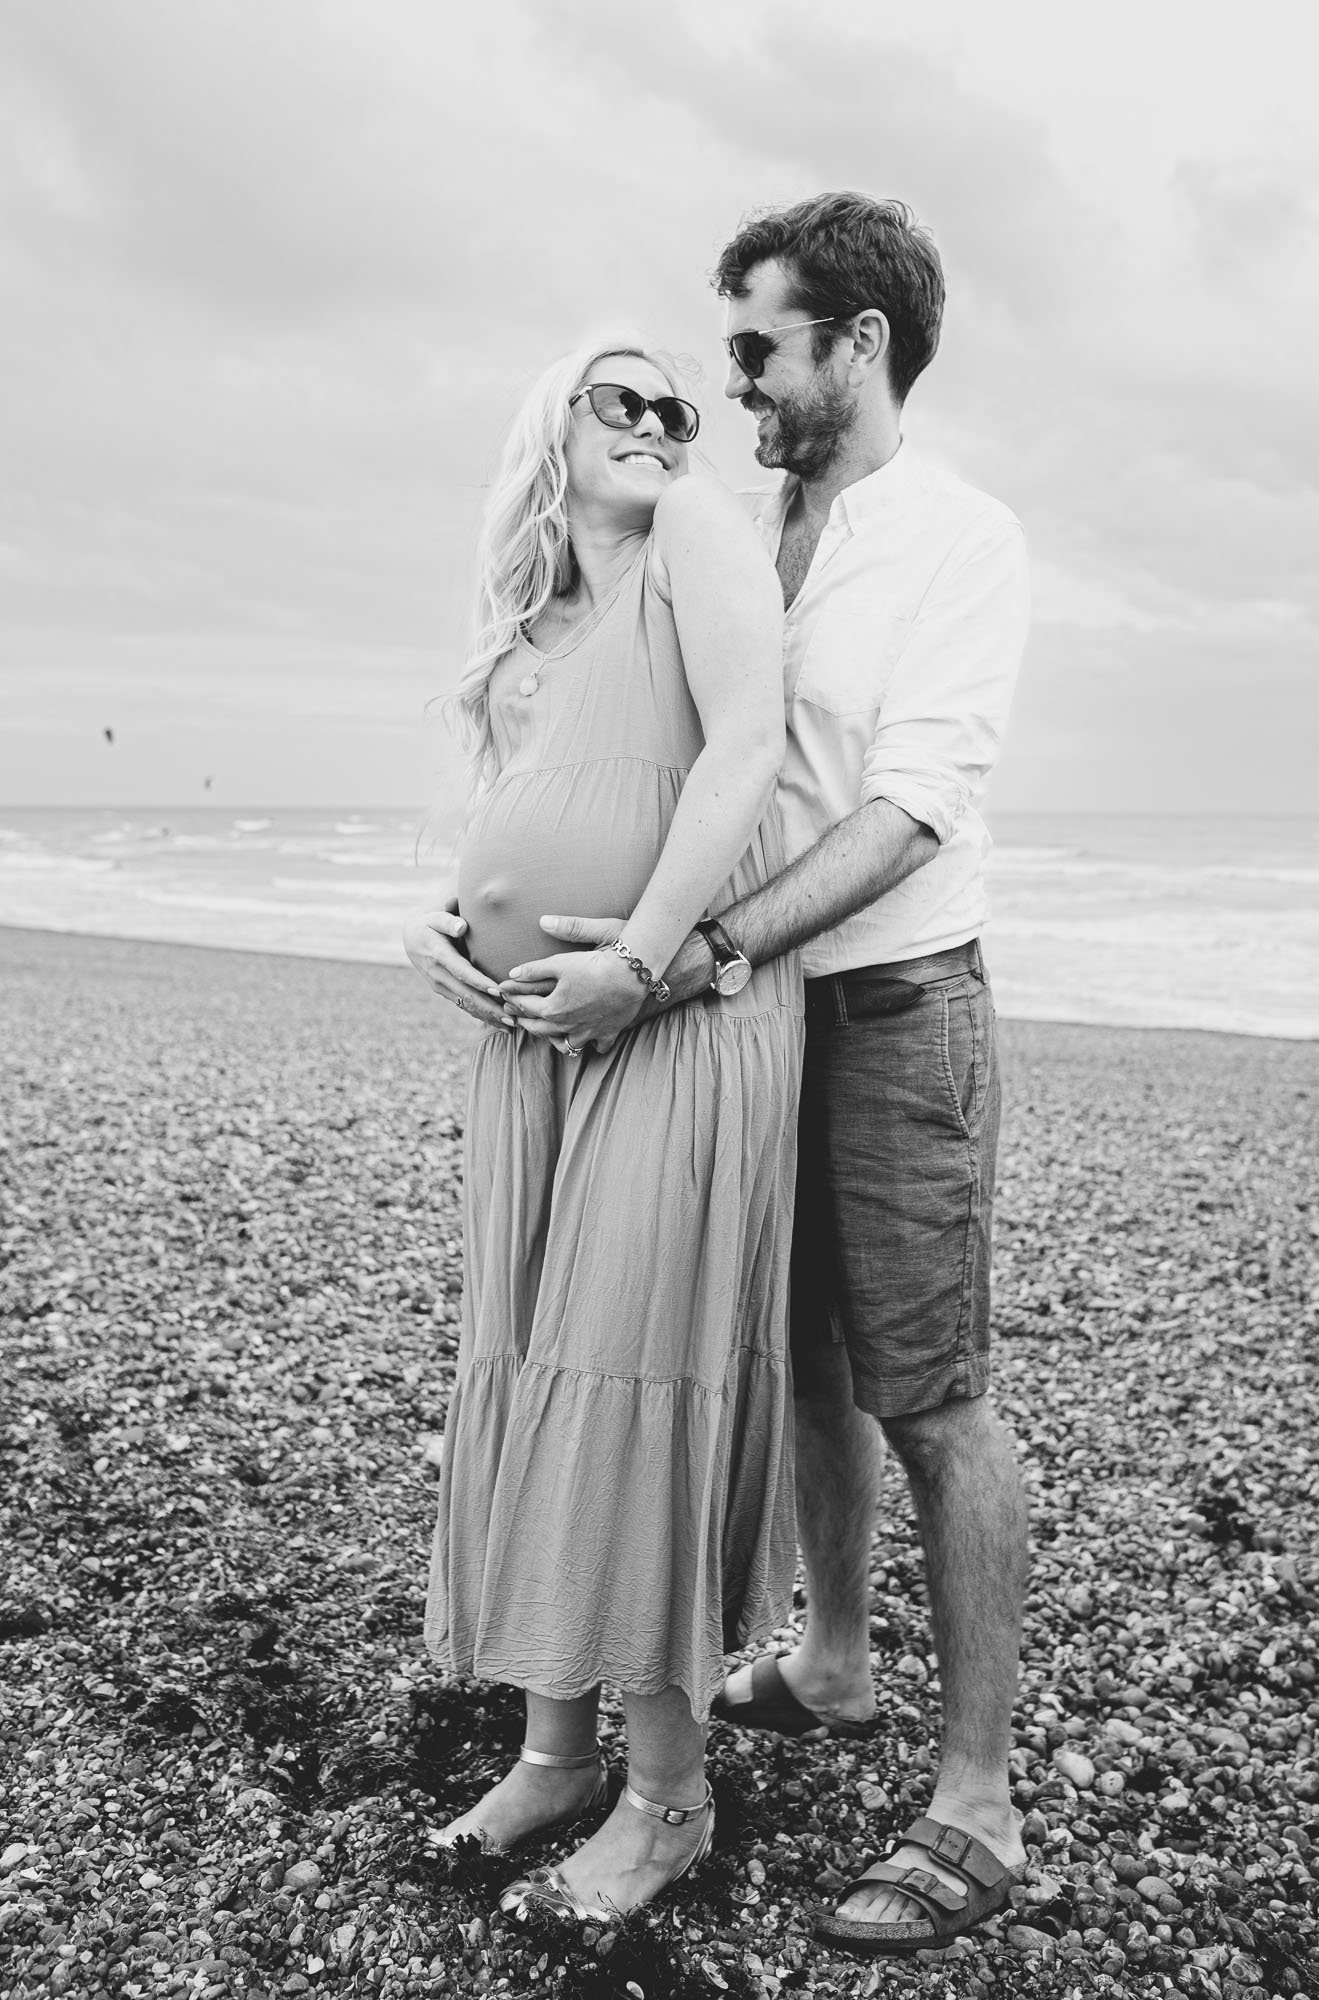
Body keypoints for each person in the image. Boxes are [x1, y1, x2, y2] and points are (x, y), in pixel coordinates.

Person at [431, 192, 1032, 1956]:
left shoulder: (957, 539)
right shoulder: (737, 520)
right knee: (795, 1366)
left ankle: (978, 1801)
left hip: (888, 998)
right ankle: (831, 1661)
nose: (733, 384)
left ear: (858, 341)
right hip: (728, 1018)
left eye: (759, 347)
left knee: (930, 1389)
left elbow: (912, 807)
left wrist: (693, 950)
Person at [404, 340, 803, 1927]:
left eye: (672, 408)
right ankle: (553, 1748)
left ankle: (669, 1799)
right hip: (530, 1046)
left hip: (676, 1018)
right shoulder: (521, 631)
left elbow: (745, 752)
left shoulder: (691, 539)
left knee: (621, 1374)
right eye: (616, 400)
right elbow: (498, 834)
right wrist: (431, 932)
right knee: (533, 1361)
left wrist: (638, 963)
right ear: (548, 429)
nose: (654, 427)